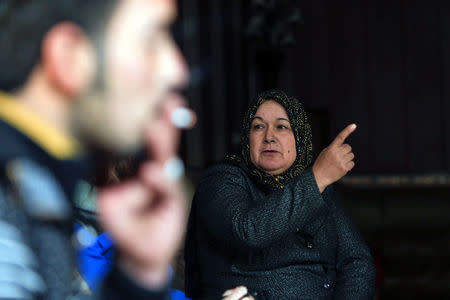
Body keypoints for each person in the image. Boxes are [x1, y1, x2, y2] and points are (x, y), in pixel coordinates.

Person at [0, 0, 189, 299]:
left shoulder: (35, 191)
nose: (176, 70)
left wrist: (136, 277)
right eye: (152, 40)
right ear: (70, 56)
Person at [185, 90, 376, 299]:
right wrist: (318, 177)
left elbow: (357, 262)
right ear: (247, 138)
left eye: (282, 127)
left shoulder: (316, 185)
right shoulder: (221, 180)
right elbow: (248, 230)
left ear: (300, 139)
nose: (269, 137)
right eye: (258, 127)